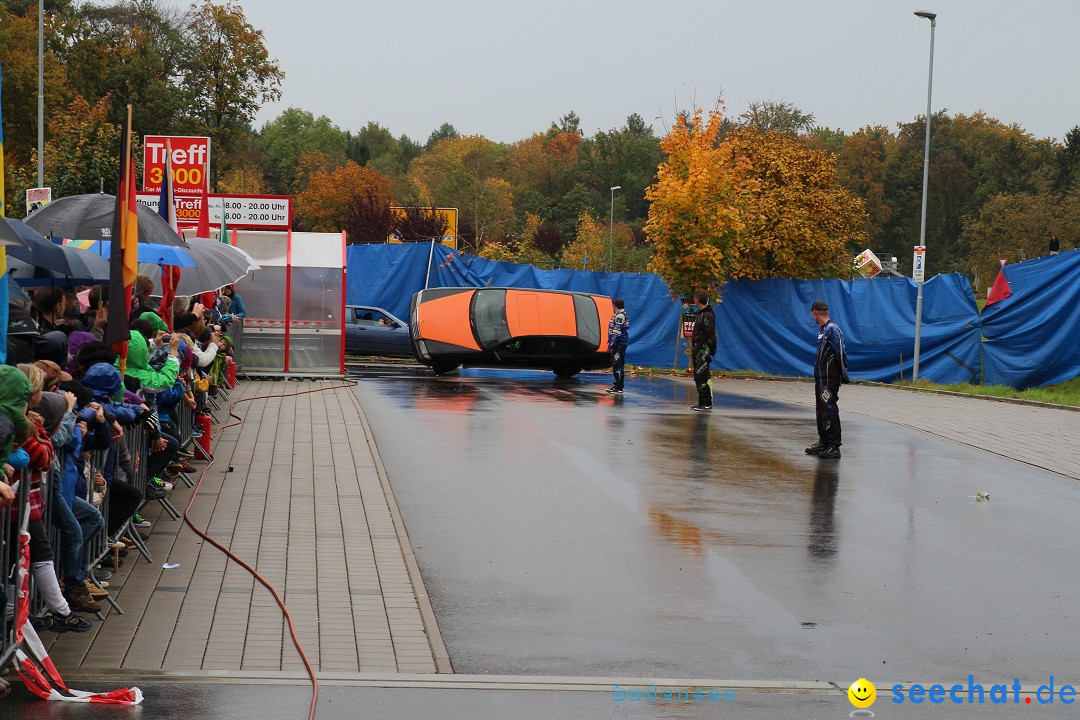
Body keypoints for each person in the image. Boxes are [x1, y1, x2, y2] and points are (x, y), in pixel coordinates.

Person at [805, 300, 849, 459]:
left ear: (816, 313)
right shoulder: (823, 330)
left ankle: (834, 445)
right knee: (821, 410)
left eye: (812, 314)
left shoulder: (832, 329)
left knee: (829, 409)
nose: (813, 317)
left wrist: (843, 373)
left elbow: (841, 352)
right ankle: (824, 440)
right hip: (821, 378)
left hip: (830, 379)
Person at [689, 291, 717, 411]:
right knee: (698, 376)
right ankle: (701, 402)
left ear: (698, 300)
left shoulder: (707, 315)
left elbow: (709, 333)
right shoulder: (700, 314)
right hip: (697, 347)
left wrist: (710, 348)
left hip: (703, 349)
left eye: (695, 298)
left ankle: (707, 403)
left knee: (702, 375)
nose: (694, 300)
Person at [606, 298, 629, 394]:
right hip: (618, 344)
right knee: (617, 364)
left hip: (619, 344)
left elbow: (617, 330)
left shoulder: (620, 315)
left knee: (617, 364)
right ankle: (617, 385)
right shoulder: (619, 315)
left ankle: (618, 387)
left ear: (615, 305)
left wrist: (612, 343)